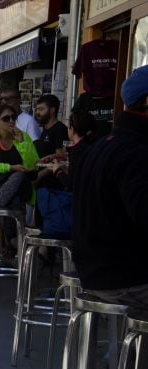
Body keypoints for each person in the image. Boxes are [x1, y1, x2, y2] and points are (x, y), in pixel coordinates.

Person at [72, 64, 148, 311]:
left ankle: (125, 349)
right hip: (124, 279)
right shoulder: (136, 151)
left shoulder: (105, 144)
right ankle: (132, 349)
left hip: (98, 271)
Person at [48, 110, 97, 191]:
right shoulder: (90, 145)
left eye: (69, 127)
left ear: (72, 129)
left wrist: (56, 170)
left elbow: (71, 184)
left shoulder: (77, 150)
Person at [33, 94, 68, 159]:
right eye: (36, 110)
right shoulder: (45, 128)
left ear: (52, 110)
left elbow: (61, 156)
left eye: (41, 109)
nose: (37, 112)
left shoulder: (60, 129)